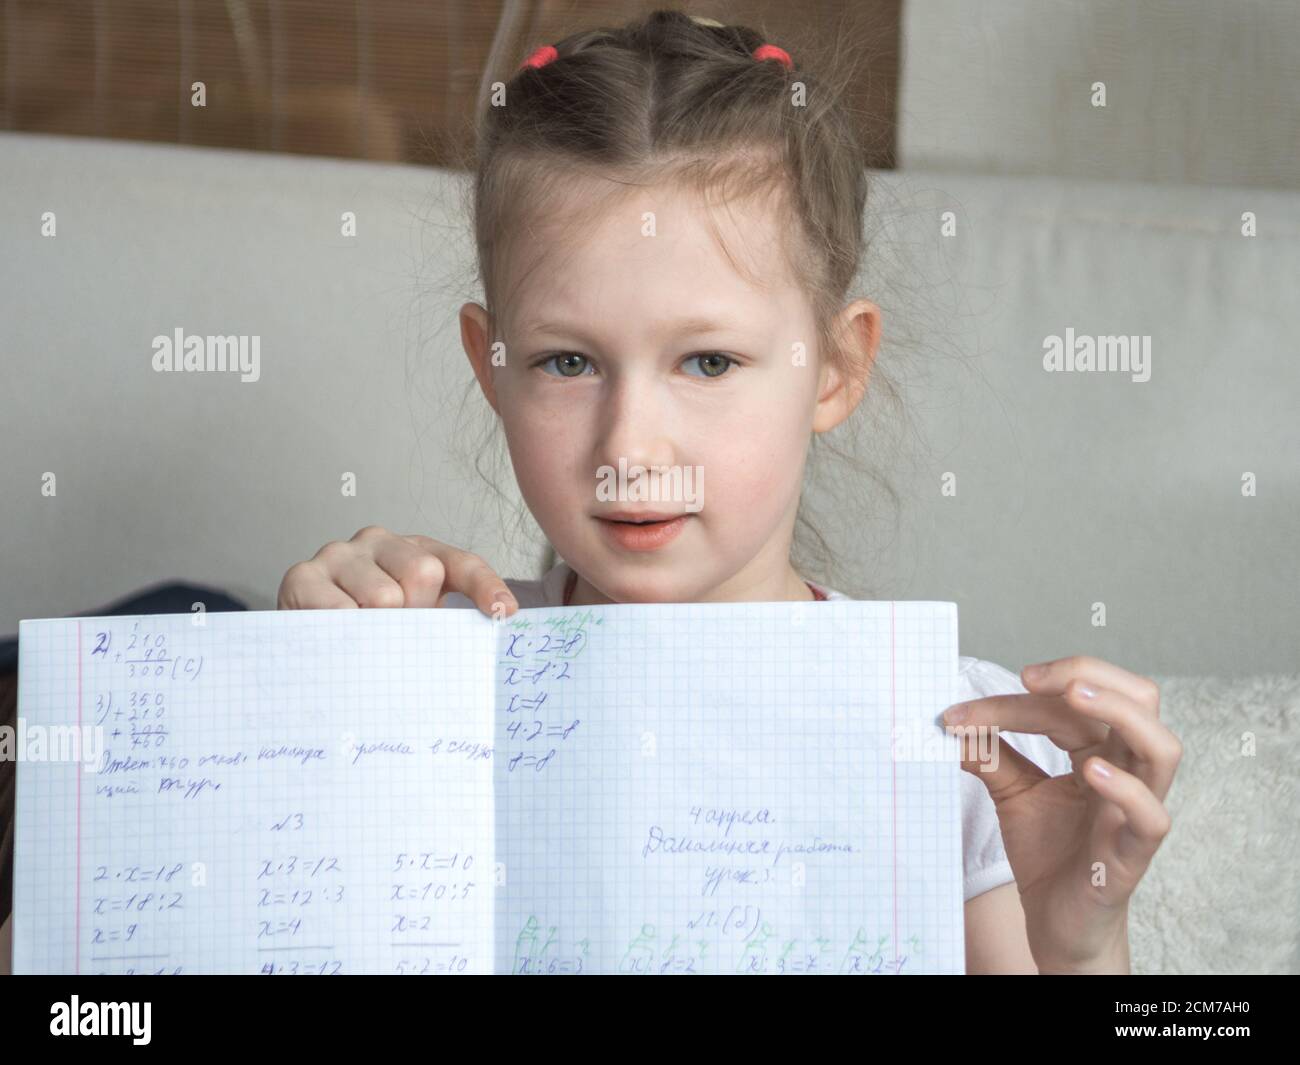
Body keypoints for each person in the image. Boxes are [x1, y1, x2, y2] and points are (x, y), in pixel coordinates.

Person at [277, 9, 1181, 974]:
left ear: (833, 368)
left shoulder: (966, 752)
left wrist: (1079, 945)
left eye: (708, 360)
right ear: (490, 365)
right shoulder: (426, 685)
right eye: (568, 361)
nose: (629, 444)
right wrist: (304, 694)